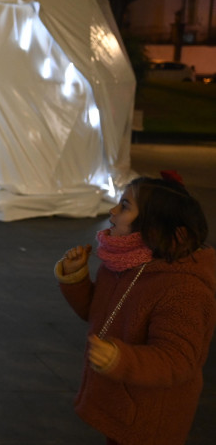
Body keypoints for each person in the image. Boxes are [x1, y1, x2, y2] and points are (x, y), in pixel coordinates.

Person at [56, 174, 215, 445]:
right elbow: (99, 315)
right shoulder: (121, 263)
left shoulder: (182, 288)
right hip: (123, 403)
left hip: (153, 417)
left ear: (156, 225)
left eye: (125, 206)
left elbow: (178, 359)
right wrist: (76, 278)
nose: (113, 211)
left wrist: (121, 360)